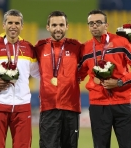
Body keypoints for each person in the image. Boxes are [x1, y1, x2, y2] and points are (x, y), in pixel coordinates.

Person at [0, 9, 39, 148]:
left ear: (22, 26)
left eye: (17, 23)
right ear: (4, 25)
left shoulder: (29, 48)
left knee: (23, 145)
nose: (13, 26)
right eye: (10, 22)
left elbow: (39, 73)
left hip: (22, 106)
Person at [78, 9, 131, 148]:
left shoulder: (122, 43)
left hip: (123, 102)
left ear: (106, 25)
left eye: (98, 22)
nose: (94, 26)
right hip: (98, 104)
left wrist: (119, 82)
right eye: (91, 23)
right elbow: (78, 74)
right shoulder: (85, 49)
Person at [34, 10, 83, 148]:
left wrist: (79, 77)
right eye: (54, 25)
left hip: (71, 107)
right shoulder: (40, 46)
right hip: (48, 108)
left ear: (67, 26)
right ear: (47, 27)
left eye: (61, 25)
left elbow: (89, 64)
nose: (58, 28)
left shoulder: (76, 46)